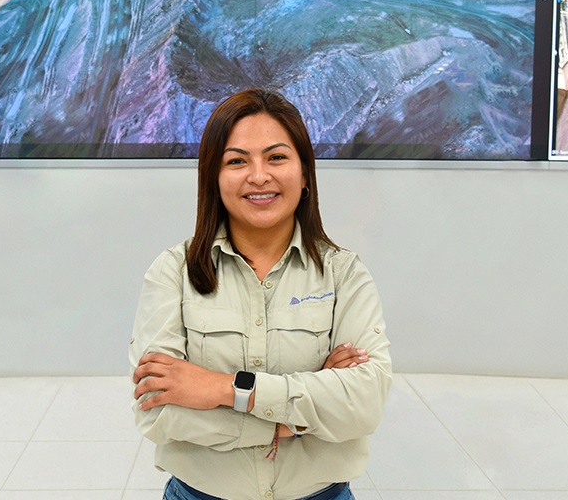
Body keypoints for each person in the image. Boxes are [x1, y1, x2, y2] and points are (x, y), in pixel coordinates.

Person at [129, 89, 392, 500]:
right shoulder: (173, 272)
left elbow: (364, 402)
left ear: (304, 175)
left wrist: (223, 389)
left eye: (276, 157)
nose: (258, 176)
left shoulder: (344, 274)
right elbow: (157, 412)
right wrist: (296, 419)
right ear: (214, 179)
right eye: (237, 161)